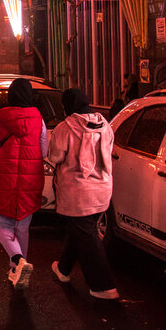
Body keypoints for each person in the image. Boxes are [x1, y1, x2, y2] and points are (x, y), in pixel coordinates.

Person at [48, 89, 120, 300]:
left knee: (86, 234)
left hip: (78, 191)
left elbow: (55, 156)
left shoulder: (65, 128)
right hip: (102, 189)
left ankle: (103, 286)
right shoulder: (105, 126)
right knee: (82, 228)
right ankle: (63, 269)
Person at [0, 77, 47, 289]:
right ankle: (17, 270)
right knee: (22, 227)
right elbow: (44, 151)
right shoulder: (39, 118)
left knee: (1, 224)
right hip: (31, 177)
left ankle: (18, 261)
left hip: (4, 176)